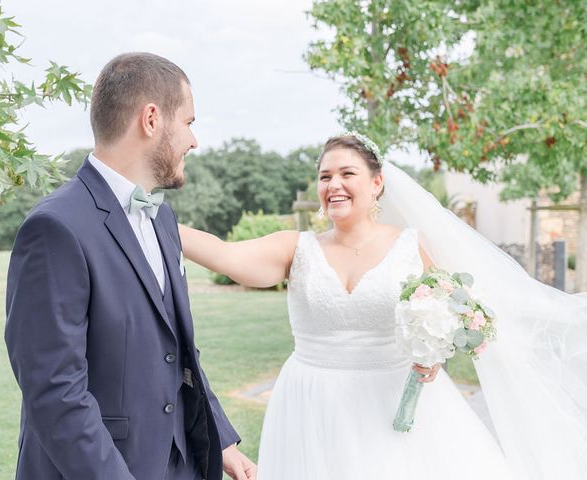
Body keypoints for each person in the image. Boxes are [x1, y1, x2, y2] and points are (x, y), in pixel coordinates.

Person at [178, 133, 587, 479]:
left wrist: (435, 357)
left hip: (393, 405)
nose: (333, 184)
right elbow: (226, 254)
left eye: (346, 173)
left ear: (376, 183)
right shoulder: (295, 248)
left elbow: (450, 316)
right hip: (312, 401)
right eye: (325, 176)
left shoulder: (411, 247)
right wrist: (160, 221)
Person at [4, 52, 256, 480]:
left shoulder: (163, 218)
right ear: (152, 119)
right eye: (189, 122)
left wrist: (223, 439)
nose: (194, 141)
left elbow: (178, 351)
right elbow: (55, 392)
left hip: (178, 463)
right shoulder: (54, 228)